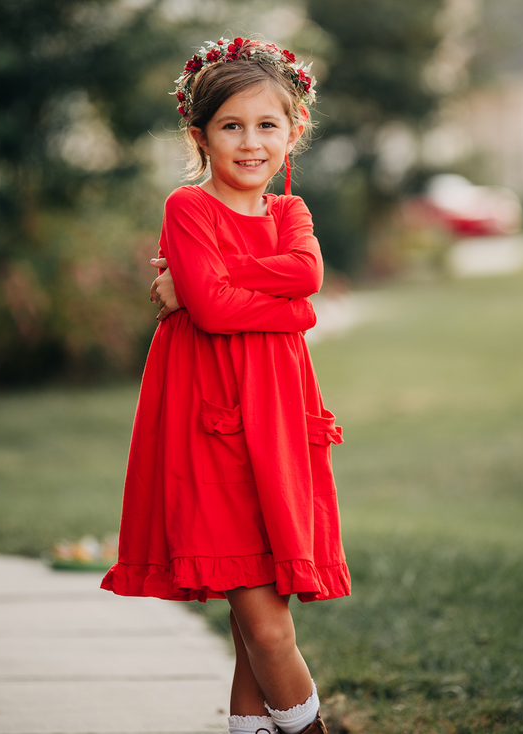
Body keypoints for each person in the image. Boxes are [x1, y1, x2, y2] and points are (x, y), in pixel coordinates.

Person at [101, 36, 351, 734]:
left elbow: (306, 281)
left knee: (255, 628)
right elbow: (211, 312)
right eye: (230, 126)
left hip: (278, 421)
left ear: (293, 130)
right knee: (268, 630)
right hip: (209, 425)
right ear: (199, 135)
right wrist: (265, 303)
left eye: (266, 124)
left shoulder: (291, 215)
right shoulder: (189, 208)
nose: (250, 143)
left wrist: (207, 280)